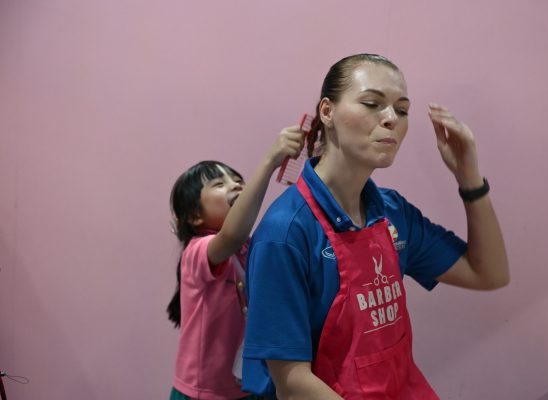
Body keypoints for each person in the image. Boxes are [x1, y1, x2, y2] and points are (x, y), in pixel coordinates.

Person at [242, 53, 509, 399]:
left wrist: (469, 179)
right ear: (327, 112)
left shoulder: (392, 211)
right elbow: (292, 383)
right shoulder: (285, 232)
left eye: (402, 110)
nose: (391, 119)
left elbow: (488, 274)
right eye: (372, 104)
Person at [166, 128, 304, 399]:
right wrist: (270, 161)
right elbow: (231, 235)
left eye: (238, 180)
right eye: (219, 184)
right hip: (203, 393)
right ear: (194, 216)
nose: (235, 185)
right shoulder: (197, 252)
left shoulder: (249, 247)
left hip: (250, 386)